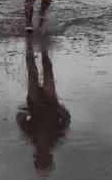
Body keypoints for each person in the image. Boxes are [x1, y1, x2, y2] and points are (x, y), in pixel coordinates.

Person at [16, 35, 71, 172]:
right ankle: (44, 49)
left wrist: (26, 111)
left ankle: (29, 48)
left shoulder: (30, 137)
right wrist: (59, 109)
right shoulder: (57, 137)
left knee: (32, 76)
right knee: (48, 73)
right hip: (51, 102)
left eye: (39, 157)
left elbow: (19, 118)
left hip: (34, 104)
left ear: (36, 156)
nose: (41, 154)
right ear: (49, 155)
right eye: (43, 157)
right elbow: (66, 119)